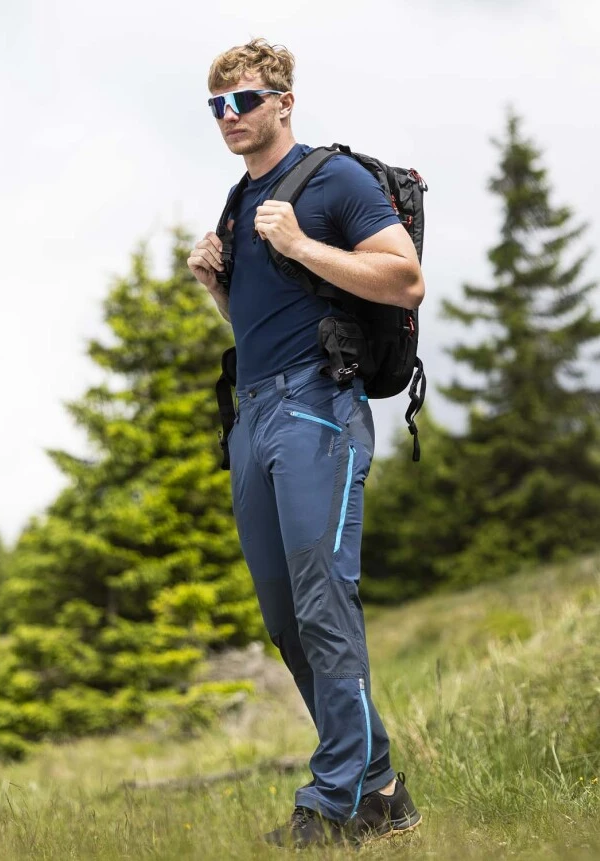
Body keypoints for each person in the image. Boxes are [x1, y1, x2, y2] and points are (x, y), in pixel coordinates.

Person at [187, 38, 425, 849]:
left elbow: (404, 279)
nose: (229, 116)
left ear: (283, 103)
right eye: (217, 105)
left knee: (323, 600)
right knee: (286, 616)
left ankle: (337, 801)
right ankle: (380, 786)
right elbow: (261, 322)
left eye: (244, 100)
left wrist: (297, 244)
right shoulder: (237, 201)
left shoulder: (334, 179)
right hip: (252, 414)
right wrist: (217, 287)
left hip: (317, 408)